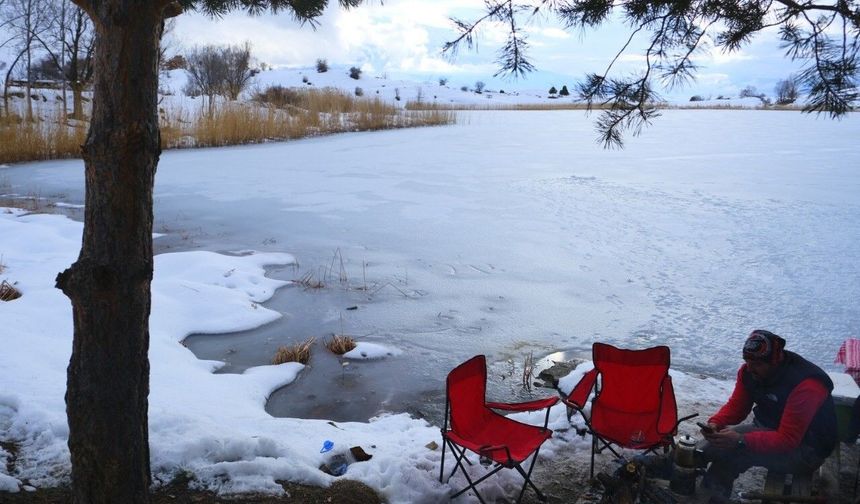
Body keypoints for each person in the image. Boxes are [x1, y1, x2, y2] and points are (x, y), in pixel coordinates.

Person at [698, 329, 837, 502]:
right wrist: (716, 422)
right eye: (747, 361)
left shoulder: (806, 385)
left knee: (735, 451)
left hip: (806, 450)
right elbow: (737, 407)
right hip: (770, 429)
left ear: (774, 362)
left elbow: (787, 440)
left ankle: (711, 496)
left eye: (756, 364)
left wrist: (741, 440)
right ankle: (687, 476)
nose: (750, 368)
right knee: (715, 442)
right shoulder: (749, 372)